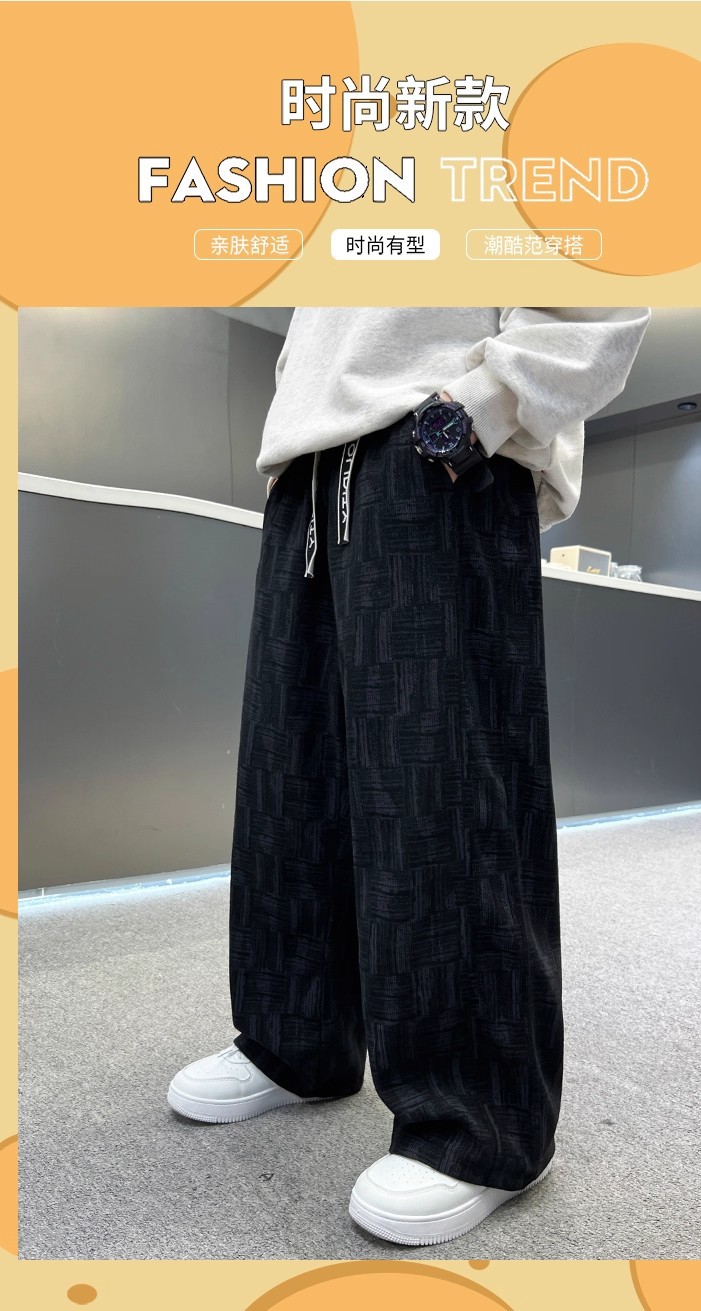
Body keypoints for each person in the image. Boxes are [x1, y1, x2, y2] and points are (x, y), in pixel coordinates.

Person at [168, 306, 651, 1246]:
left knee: (443, 787)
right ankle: (296, 1038)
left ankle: (483, 1121)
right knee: (290, 779)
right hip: (308, 468)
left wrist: (481, 406)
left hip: (435, 445)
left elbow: (598, 274)